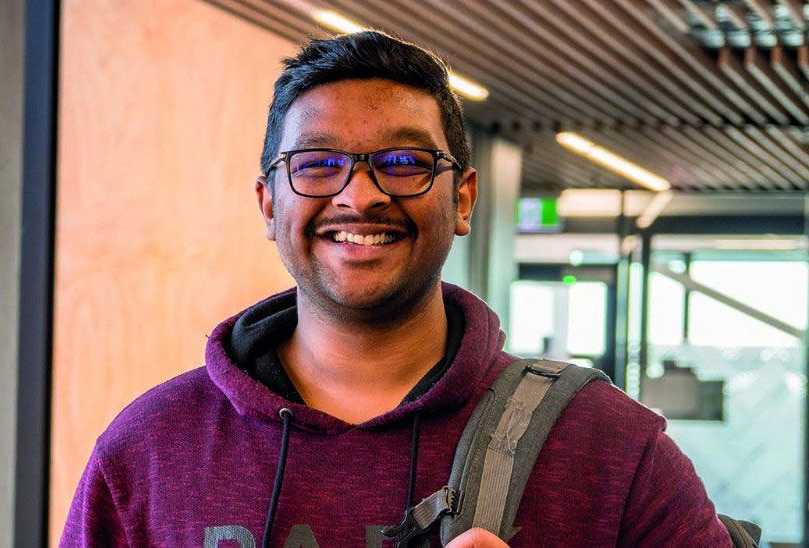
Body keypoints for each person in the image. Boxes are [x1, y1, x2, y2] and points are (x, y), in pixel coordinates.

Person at [60, 31, 730, 547]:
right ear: (268, 204)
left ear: (463, 199)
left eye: (405, 163)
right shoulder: (150, 447)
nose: (360, 195)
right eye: (318, 164)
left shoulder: (606, 446)